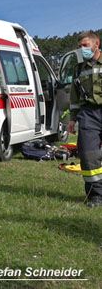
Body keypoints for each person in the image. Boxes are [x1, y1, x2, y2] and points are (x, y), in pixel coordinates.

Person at [68, 31, 102, 208]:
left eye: (85, 45)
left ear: (96, 44)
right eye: (80, 46)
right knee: (88, 155)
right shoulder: (79, 69)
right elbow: (74, 97)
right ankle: (95, 195)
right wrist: (72, 120)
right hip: (88, 114)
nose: (82, 49)